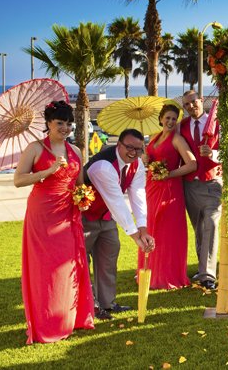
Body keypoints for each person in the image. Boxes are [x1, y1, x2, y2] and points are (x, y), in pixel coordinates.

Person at [15, 100, 94, 344]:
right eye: (60, 123)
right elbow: (18, 180)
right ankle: (46, 322)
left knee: (67, 265)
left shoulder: (76, 151)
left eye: (69, 124)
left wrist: (83, 198)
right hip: (42, 214)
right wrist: (47, 172)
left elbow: (80, 183)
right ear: (48, 123)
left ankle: (69, 318)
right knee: (45, 267)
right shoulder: (35, 148)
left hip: (68, 215)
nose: (65, 128)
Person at [83, 128, 155, 320]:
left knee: (108, 257)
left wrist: (143, 229)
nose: (133, 152)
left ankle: (107, 303)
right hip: (83, 217)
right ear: (119, 145)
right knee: (82, 261)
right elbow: (116, 202)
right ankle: (90, 306)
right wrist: (135, 237)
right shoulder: (103, 166)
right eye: (129, 147)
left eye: (138, 149)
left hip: (106, 217)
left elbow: (138, 195)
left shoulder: (137, 164)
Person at [137, 103, 197, 290]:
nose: (170, 121)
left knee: (166, 232)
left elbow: (192, 164)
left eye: (174, 119)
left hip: (169, 190)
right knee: (151, 228)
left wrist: (169, 174)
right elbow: (150, 161)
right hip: (152, 188)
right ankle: (150, 269)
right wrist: (145, 159)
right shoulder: (154, 137)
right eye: (167, 118)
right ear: (161, 119)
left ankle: (166, 274)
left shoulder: (177, 139)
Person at [179, 90, 222, 290]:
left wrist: (212, 153)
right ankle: (202, 267)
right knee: (198, 228)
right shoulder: (182, 126)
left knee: (211, 225)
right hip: (190, 184)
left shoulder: (217, 122)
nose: (191, 106)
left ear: (201, 100)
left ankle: (208, 274)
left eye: (193, 102)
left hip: (212, 183)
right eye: (186, 104)